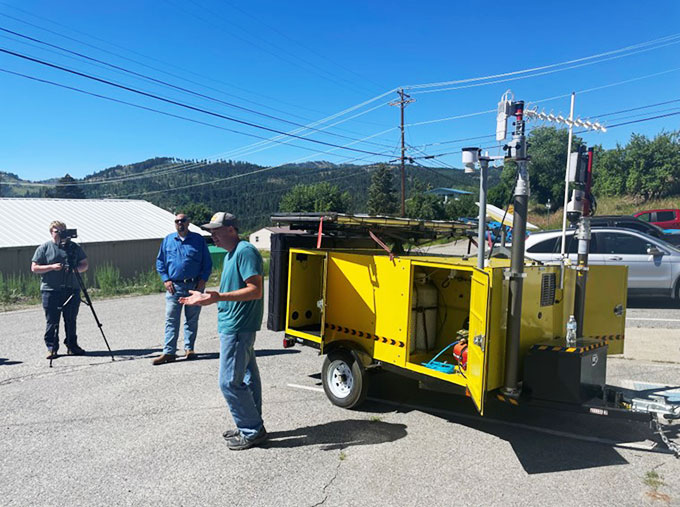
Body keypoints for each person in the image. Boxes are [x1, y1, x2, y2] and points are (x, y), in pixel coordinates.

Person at [180, 212, 266, 451]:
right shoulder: (231, 255)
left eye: (216, 230)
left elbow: (255, 290)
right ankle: (251, 424)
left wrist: (217, 297)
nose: (212, 235)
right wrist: (207, 297)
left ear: (231, 229)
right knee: (247, 379)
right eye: (210, 231)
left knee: (229, 382)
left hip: (238, 327)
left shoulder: (245, 251)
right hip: (234, 325)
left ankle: (252, 430)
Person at [154, 212, 212, 365]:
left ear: (188, 223)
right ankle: (169, 352)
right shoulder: (168, 240)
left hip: (194, 286)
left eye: (183, 221)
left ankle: (189, 349)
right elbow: (160, 262)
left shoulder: (198, 240)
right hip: (175, 286)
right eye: (177, 221)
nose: (180, 223)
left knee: (191, 319)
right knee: (171, 320)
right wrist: (165, 280)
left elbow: (207, 263)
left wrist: (203, 281)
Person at [31, 221, 89, 358]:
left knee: (70, 319)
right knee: (52, 320)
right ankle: (52, 347)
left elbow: (85, 264)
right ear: (51, 232)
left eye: (64, 231)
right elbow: (34, 268)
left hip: (72, 288)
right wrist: (51, 267)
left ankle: (72, 346)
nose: (61, 234)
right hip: (51, 290)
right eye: (58, 231)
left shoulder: (74, 247)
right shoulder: (44, 248)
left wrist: (76, 270)